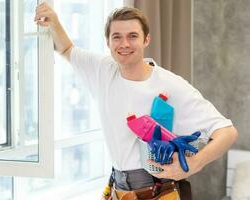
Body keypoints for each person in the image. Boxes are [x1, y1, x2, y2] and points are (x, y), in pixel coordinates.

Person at [34, 3, 238, 200]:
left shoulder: (171, 85)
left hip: (157, 190)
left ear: (146, 40)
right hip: (118, 188)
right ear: (108, 43)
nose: (124, 44)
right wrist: (53, 19)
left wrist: (194, 164)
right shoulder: (103, 70)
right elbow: (66, 49)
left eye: (133, 36)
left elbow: (227, 132)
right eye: (117, 37)